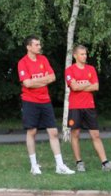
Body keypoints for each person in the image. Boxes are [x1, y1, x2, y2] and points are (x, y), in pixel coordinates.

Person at [18, 35, 75, 175]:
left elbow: (53, 77)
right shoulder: (22, 62)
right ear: (29, 47)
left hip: (45, 100)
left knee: (53, 132)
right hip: (30, 101)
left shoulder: (43, 59)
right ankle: (33, 166)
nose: (39, 47)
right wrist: (44, 80)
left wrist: (36, 81)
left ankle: (60, 166)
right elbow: (27, 83)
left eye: (39, 44)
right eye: (36, 45)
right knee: (32, 132)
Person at [65, 45, 111, 172]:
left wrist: (80, 85)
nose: (84, 56)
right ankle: (79, 162)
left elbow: (96, 87)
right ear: (75, 55)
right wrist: (86, 84)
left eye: (85, 54)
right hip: (75, 107)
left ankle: (105, 162)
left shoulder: (91, 69)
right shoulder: (69, 70)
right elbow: (74, 87)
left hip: (89, 106)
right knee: (75, 134)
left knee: (95, 134)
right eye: (81, 54)